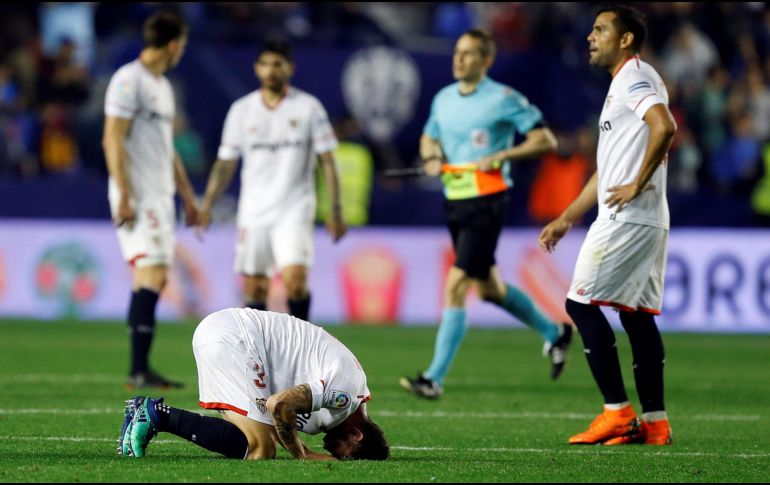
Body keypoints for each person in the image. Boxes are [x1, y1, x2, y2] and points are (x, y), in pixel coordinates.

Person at [400, 29, 573, 400]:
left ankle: (433, 378)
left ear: (486, 60)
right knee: (489, 289)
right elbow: (429, 137)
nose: (458, 59)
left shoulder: (502, 99)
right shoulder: (444, 98)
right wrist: (431, 157)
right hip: (455, 200)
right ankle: (556, 333)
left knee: (457, 284)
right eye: (457, 53)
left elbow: (545, 140)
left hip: (488, 200)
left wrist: (502, 156)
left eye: (468, 54)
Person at [538, 5, 677, 445]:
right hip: (646, 218)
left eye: (601, 30)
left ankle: (617, 413)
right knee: (635, 315)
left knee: (581, 305)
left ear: (626, 40)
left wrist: (637, 183)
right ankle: (655, 424)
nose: (590, 37)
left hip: (628, 216)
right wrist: (567, 217)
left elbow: (665, 125)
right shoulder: (628, 82)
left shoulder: (634, 78)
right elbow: (606, 170)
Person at [117, 307, 389, 461]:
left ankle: (143, 413)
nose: (337, 456)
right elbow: (279, 404)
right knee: (260, 449)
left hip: (230, 334)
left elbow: (281, 414)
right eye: (347, 456)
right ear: (356, 436)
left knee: (256, 439)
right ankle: (157, 415)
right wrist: (303, 453)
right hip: (237, 338)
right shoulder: (343, 396)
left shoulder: (346, 396)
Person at [197, 40, 346, 321]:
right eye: (265, 64)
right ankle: (260, 356)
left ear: (290, 68)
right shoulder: (242, 111)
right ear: (256, 69)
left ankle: (301, 346)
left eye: (277, 64)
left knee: (295, 280)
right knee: (255, 288)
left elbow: (327, 159)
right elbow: (225, 163)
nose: (271, 70)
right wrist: (206, 205)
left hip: (295, 209)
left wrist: (336, 208)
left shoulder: (308, 108)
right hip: (254, 211)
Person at [102, 11, 199, 389]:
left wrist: (188, 196)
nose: (182, 53)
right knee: (153, 272)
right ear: (173, 45)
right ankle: (139, 367)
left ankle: (140, 367)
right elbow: (112, 137)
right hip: (138, 192)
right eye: (183, 46)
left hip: (161, 194)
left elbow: (166, 147)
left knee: (152, 274)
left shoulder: (161, 86)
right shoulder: (128, 80)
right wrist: (124, 192)